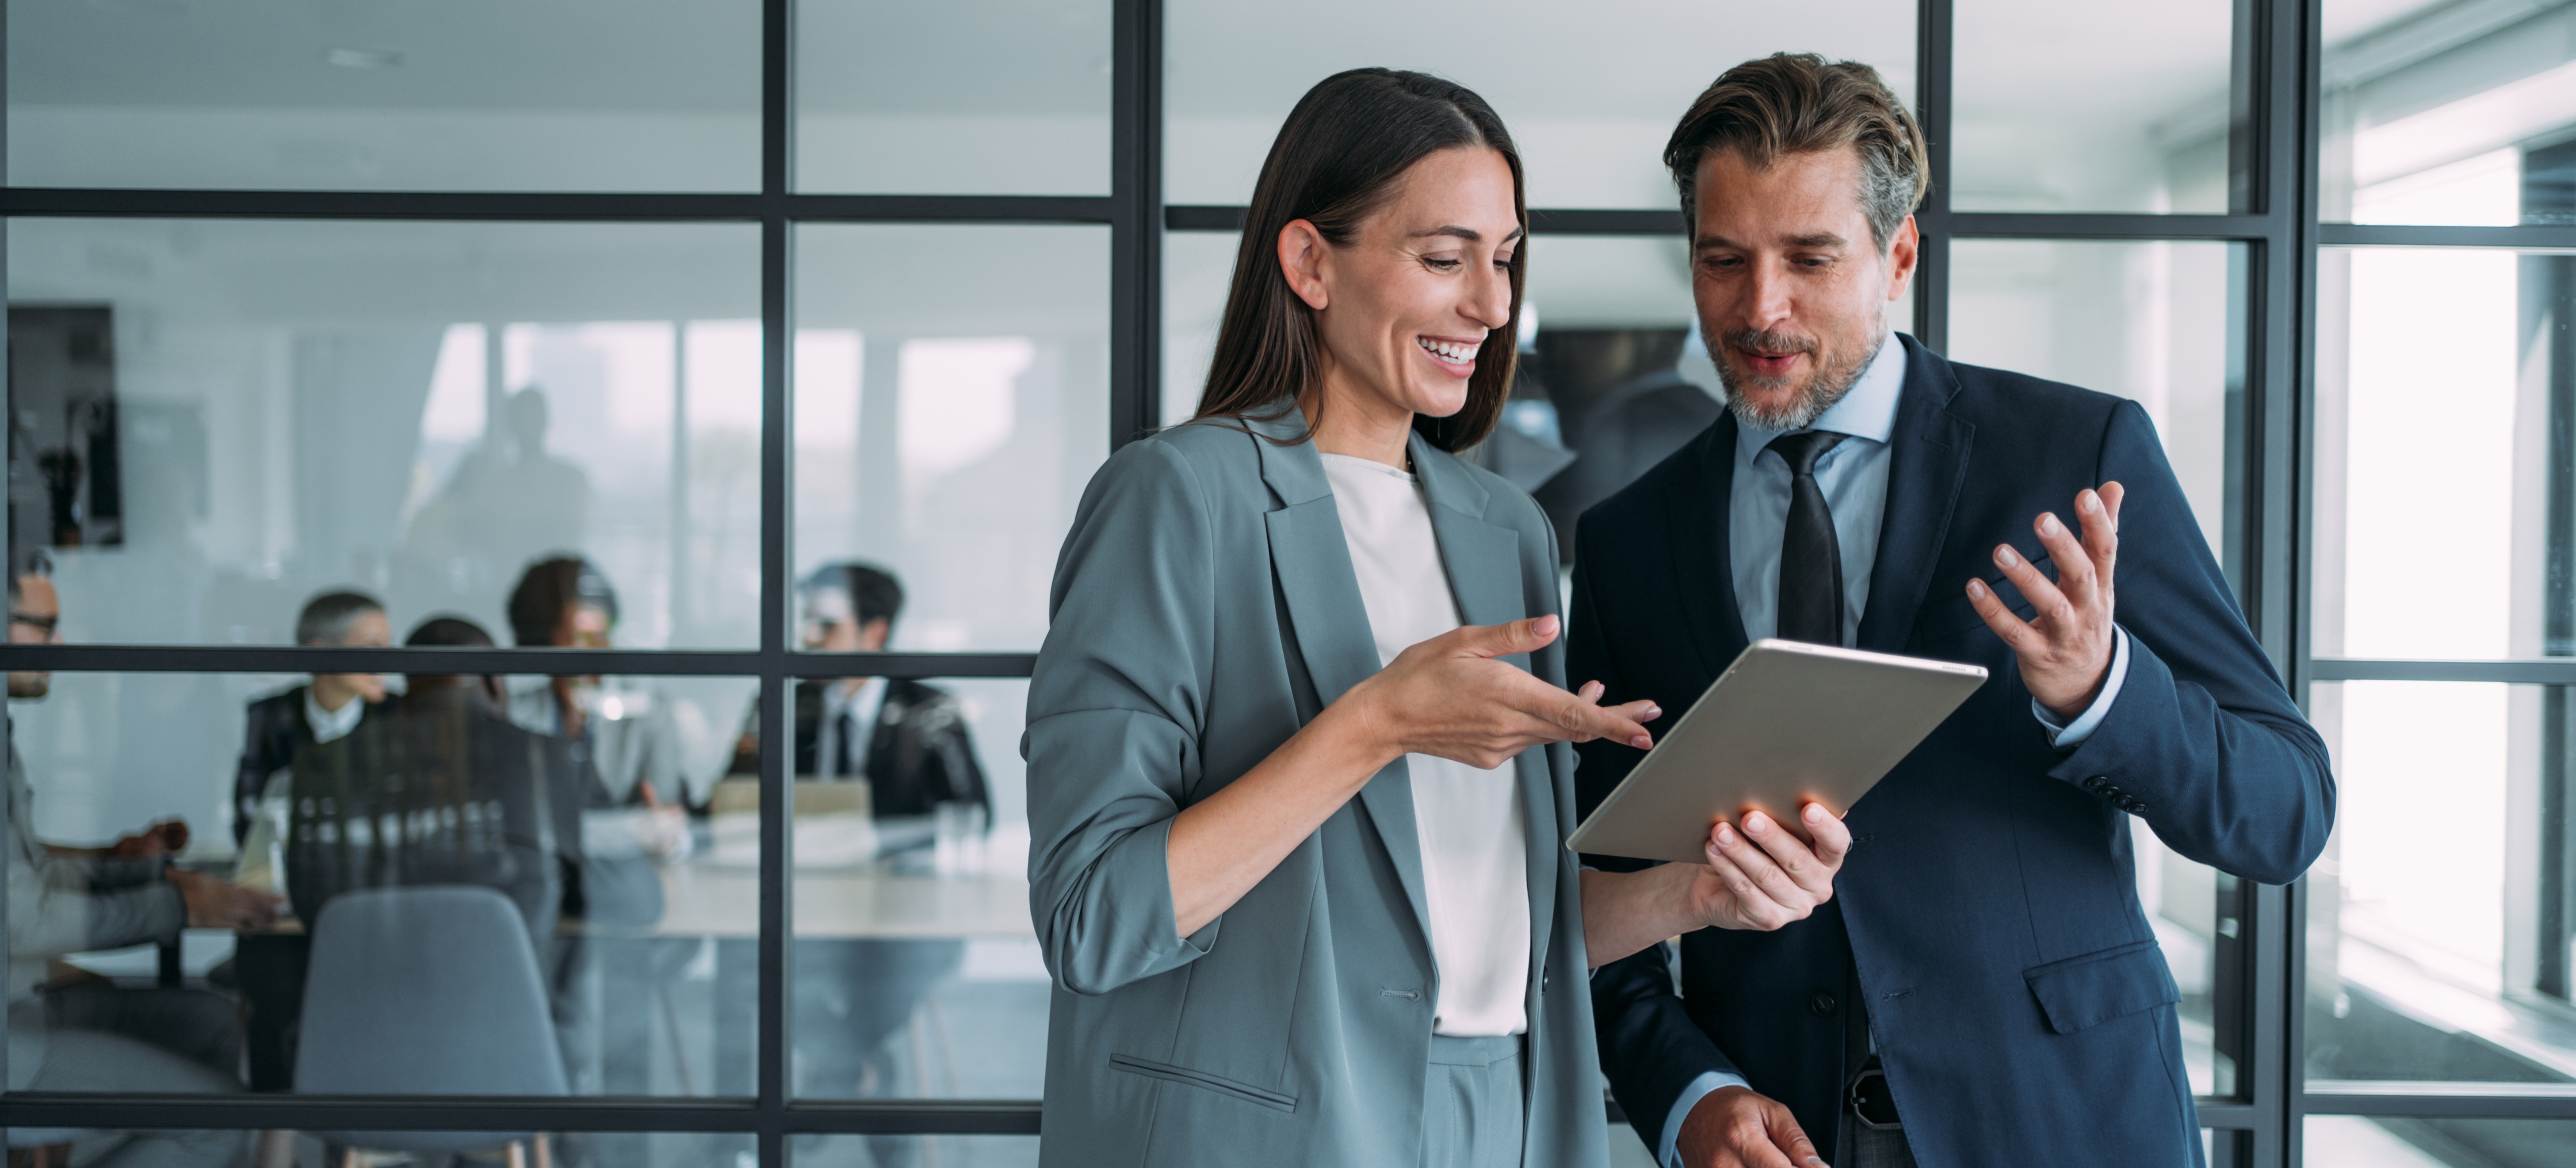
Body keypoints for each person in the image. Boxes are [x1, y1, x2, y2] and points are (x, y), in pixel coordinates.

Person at [1026, 68, 1853, 1168]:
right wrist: (1377, 723)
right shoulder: (1177, 497)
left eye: (1504, 260)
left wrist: (1689, 895)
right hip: (1266, 1129)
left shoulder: (1502, 528)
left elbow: (1497, 923)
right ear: (1310, 261)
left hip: (1505, 1114)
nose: (1492, 305)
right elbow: (1093, 916)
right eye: (1443, 257)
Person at [1571, 54, 2335, 1168]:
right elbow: (1600, 895)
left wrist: (2101, 691)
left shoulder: (2077, 456)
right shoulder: (1628, 540)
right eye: (1722, 259)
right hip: (1781, 1135)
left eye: (1809, 259)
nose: (1759, 307)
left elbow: (2284, 811)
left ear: (1898, 254)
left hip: (2063, 1119)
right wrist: (1689, 1092)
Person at [6, 559, 275, 1168]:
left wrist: (133, 866)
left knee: (211, 1020)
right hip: (9, 1036)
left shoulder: (4, 732)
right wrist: (176, 904)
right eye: (45, 627)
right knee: (218, 1119)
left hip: (24, 997)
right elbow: (21, 920)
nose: (61, 644)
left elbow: (28, 872)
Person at [725, 563, 990, 1165]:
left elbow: (969, 818)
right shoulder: (781, 701)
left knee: (878, 976)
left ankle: (838, 1085)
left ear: (875, 632)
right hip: (804, 910)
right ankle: (861, 1075)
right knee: (748, 963)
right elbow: (726, 802)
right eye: (807, 623)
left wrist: (871, 840)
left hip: (902, 918)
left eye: (827, 624)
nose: (810, 638)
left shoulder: (931, 711)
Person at [232, 590, 392, 846]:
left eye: (389, 647)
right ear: (320, 652)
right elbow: (249, 819)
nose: (387, 661)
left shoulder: (397, 716)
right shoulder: (271, 718)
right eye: (372, 647)